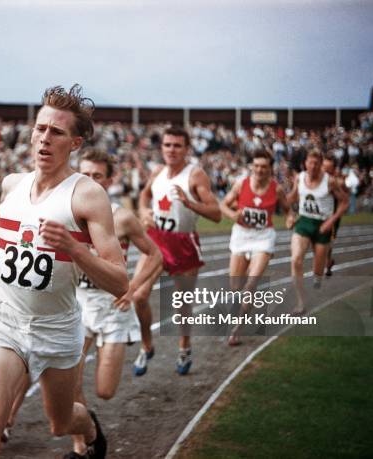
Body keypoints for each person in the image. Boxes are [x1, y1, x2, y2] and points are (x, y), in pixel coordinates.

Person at [0, 85, 128, 459]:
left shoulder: (87, 195)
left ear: (76, 143)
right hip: (5, 322)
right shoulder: (12, 185)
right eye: (40, 128)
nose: (44, 138)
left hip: (57, 328)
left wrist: (72, 249)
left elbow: (119, 280)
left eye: (57, 132)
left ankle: (92, 429)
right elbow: (17, 238)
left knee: (61, 422)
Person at [67, 148, 162, 456]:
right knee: (71, 381)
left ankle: (89, 423)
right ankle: (81, 447)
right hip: (77, 307)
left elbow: (155, 256)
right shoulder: (67, 212)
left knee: (105, 391)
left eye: (97, 176)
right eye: (85, 175)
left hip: (113, 309)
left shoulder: (122, 217)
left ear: (110, 180)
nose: (91, 181)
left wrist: (132, 289)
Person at [137, 126, 221, 375]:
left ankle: (184, 346)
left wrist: (189, 203)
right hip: (155, 242)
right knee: (139, 296)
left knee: (181, 304)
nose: (171, 150)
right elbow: (143, 196)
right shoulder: (157, 172)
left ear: (186, 149)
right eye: (167, 145)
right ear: (161, 147)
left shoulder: (195, 176)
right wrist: (144, 212)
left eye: (177, 146)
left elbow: (216, 213)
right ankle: (147, 345)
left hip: (183, 244)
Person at [220, 149, 292, 345]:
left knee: (250, 285)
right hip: (241, 236)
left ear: (270, 169)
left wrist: (290, 218)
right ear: (252, 166)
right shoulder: (240, 184)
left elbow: (287, 210)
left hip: (263, 237)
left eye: (264, 167)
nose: (260, 170)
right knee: (235, 287)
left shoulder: (276, 189)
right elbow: (223, 205)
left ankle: (236, 330)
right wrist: (232, 215)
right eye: (257, 166)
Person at [286, 149, 349, 314]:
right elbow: (291, 198)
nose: (313, 166)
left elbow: (344, 202)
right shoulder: (299, 178)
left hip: (322, 225)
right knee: (296, 259)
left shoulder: (330, 181)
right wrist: (290, 214)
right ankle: (300, 302)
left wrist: (331, 221)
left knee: (318, 271)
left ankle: (318, 276)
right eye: (310, 162)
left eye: (316, 163)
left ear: (320, 165)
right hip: (304, 222)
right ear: (305, 163)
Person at [321, 155, 349, 277]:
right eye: (324, 167)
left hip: (332, 217)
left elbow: (345, 198)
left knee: (328, 241)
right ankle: (328, 261)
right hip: (319, 215)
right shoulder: (317, 179)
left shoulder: (338, 182)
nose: (325, 171)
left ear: (333, 169)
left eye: (328, 169)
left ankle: (327, 263)